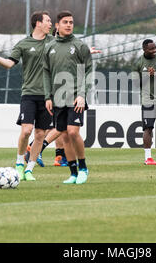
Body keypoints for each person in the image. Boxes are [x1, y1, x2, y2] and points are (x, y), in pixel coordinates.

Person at [0, 11, 54, 182]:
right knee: (26, 130)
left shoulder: (53, 42)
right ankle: (19, 164)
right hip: (29, 94)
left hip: (48, 96)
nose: (51, 24)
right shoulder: (24, 44)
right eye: (48, 21)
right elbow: (9, 64)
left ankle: (29, 170)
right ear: (38, 23)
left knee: (41, 134)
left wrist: (85, 52)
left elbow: (67, 52)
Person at [43, 10, 93, 184]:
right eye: (65, 22)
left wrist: (81, 95)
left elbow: (87, 72)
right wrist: (48, 97)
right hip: (57, 98)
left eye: (71, 22)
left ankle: (83, 168)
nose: (69, 25)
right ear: (57, 25)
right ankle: (73, 173)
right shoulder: (49, 47)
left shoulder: (80, 46)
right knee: (64, 135)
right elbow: (46, 73)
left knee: (73, 132)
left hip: (75, 97)